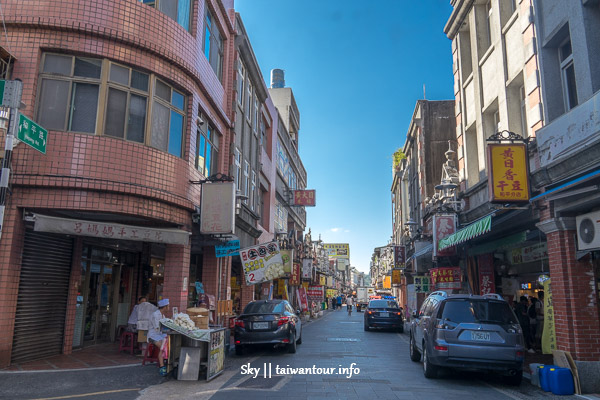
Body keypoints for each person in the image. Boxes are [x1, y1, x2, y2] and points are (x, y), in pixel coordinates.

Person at [148, 298, 170, 376]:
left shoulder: (162, 315)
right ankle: (162, 366)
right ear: (165, 307)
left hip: (161, 335)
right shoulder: (155, 315)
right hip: (154, 335)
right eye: (168, 306)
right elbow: (157, 328)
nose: (169, 308)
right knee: (163, 347)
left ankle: (167, 363)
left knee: (168, 345)